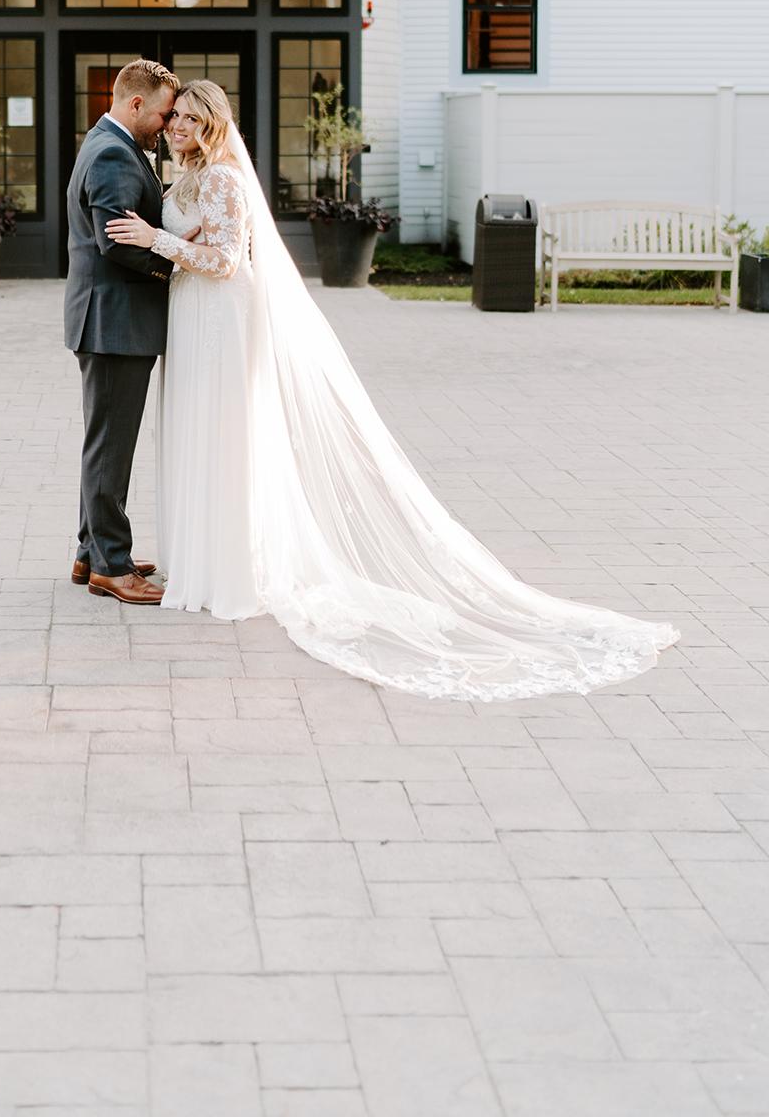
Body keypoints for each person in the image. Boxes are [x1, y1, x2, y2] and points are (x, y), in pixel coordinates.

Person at [105, 80, 679, 701]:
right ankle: (196, 563)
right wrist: (171, 238)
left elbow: (223, 259)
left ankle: (225, 577)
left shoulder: (223, 179)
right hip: (192, 316)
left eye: (192, 117)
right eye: (176, 116)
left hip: (220, 317)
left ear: (213, 124)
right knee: (193, 432)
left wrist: (153, 239)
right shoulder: (183, 175)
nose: (179, 125)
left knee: (220, 434)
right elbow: (200, 243)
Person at [64, 58, 179, 605]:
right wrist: (173, 266)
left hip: (109, 319)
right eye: (161, 115)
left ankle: (93, 552)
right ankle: (114, 565)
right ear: (135, 104)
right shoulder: (113, 152)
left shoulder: (109, 142)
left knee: (103, 443)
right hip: (115, 321)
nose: (165, 125)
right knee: (111, 447)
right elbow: (117, 242)